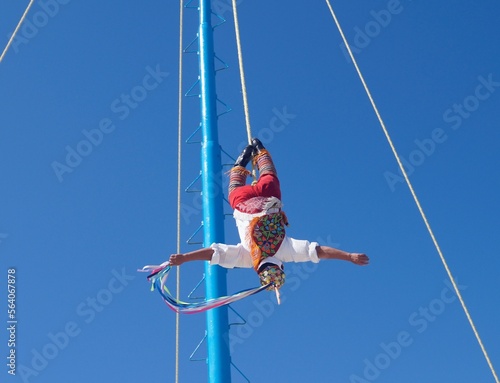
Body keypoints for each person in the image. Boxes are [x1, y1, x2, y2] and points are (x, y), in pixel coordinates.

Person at [169, 138, 369, 292]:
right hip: (243, 201)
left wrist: (349, 256)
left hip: (269, 198)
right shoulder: (247, 259)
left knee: (269, 175)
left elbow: (319, 251)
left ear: (281, 268)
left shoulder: (287, 253)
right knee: (235, 188)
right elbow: (214, 253)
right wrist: (184, 258)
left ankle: (259, 150)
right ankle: (241, 162)